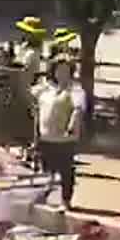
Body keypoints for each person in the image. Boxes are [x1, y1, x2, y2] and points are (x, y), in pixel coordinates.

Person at [34, 51, 82, 207]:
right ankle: (42, 198)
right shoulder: (45, 89)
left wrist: (72, 125)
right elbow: (35, 106)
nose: (62, 73)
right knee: (45, 171)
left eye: (66, 70)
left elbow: (78, 109)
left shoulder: (75, 90)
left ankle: (65, 201)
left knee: (65, 171)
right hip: (45, 137)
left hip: (64, 138)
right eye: (59, 70)